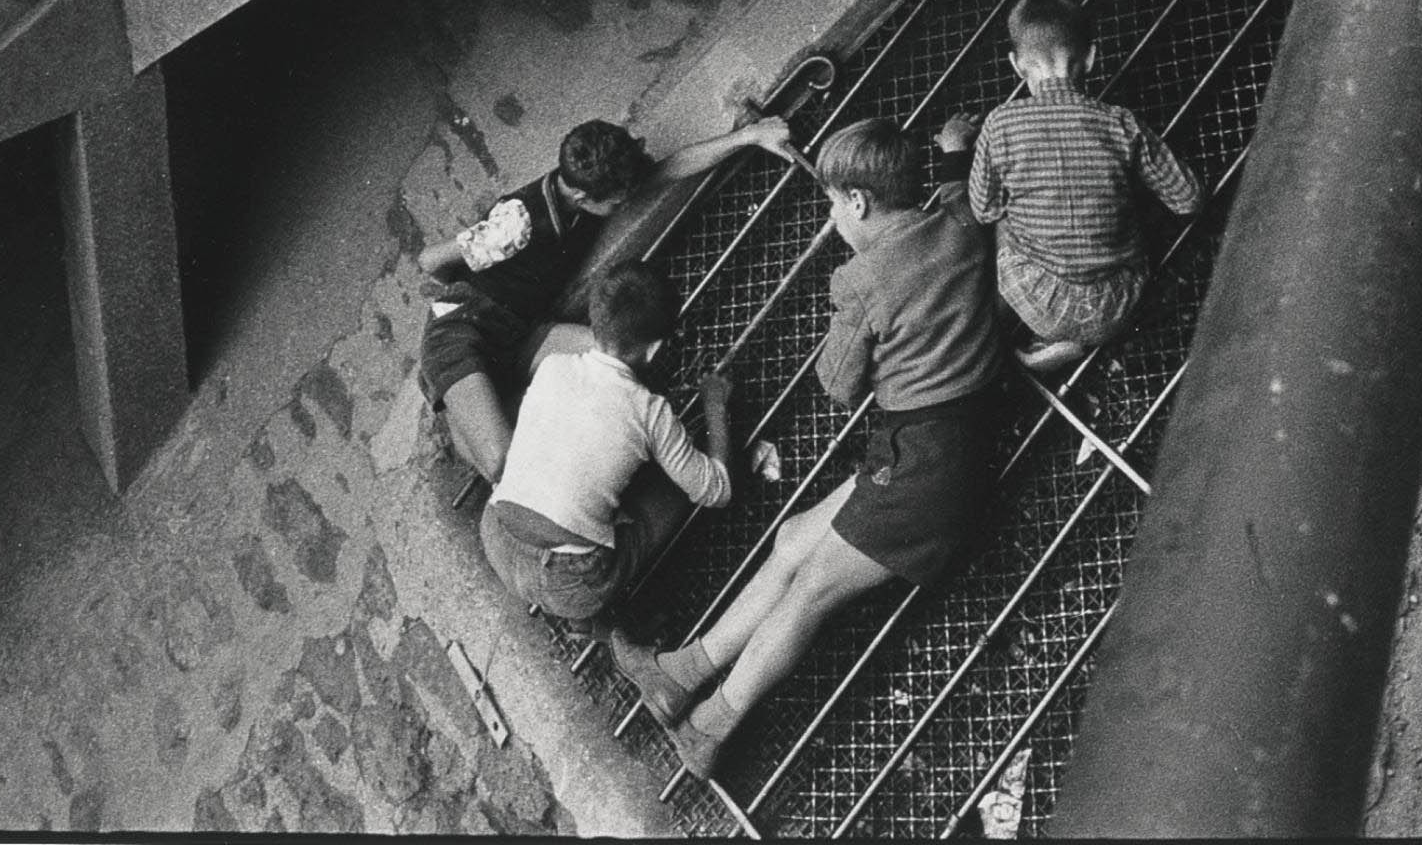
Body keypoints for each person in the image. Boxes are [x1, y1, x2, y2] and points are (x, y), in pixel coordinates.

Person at [608, 115, 1006, 786]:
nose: (830, 213)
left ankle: (711, 729)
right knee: (794, 540)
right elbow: (961, 193)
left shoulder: (862, 279)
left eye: (830, 199)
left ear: (857, 202)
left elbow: (837, 385)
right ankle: (680, 675)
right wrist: (954, 150)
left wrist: (849, 320)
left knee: (810, 592)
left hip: (921, 471)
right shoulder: (962, 228)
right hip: (934, 446)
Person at [416, 111, 794, 483]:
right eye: (617, 202)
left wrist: (750, 135)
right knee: (499, 462)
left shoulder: (592, 188)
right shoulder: (515, 225)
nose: (625, 205)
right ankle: (451, 397)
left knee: (618, 357)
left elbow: (669, 169)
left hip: (520, 333)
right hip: (464, 331)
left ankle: (470, 403)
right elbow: (430, 260)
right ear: (581, 196)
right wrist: (467, 286)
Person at [952, 0, 1202, 374]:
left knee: (1004, 220)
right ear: (1090, 58)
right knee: (1131, 203)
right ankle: (1083, 340)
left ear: (1017, 66)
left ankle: (1034, 339)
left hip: (1040, 301)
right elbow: (1189, 200)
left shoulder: (1000, 123)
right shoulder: (1121, 122)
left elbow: (985, 210)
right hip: (1118, 301)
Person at [478, 259, 734, 623]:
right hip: (566, 585)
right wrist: (715, 407)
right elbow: (716, 491)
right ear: (654, 350)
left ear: (594, 323)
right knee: (673, 490)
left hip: (496, 535)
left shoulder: (554, 365)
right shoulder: (651, 412)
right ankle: (606, 621)